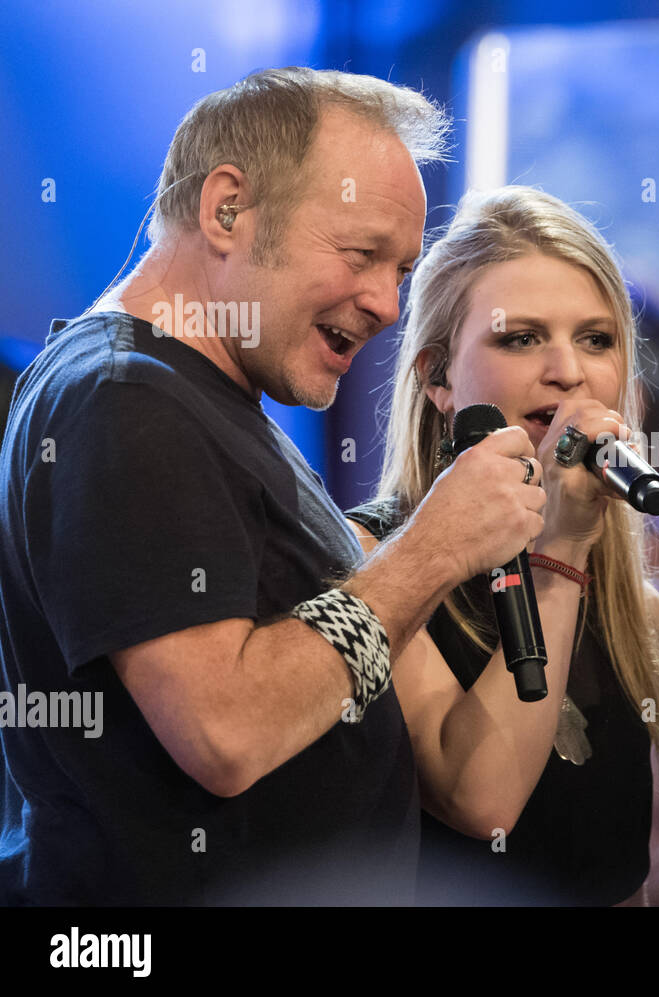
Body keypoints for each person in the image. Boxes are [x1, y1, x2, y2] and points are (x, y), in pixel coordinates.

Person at [0, 68, 547, 905]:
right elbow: (226, 730)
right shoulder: (125, 397)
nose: (390, 304)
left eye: (402, 269)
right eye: (363, 254)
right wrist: (434, 546)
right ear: (227, 209)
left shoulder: (193, 396)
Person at [345, 186, 659, 905]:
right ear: (437, 377)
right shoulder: (364, 557)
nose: (569, 370)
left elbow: (620, 877)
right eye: (521, 337)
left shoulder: (633, 609)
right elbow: (481, 799)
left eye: (596, 338)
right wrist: (558, 545)